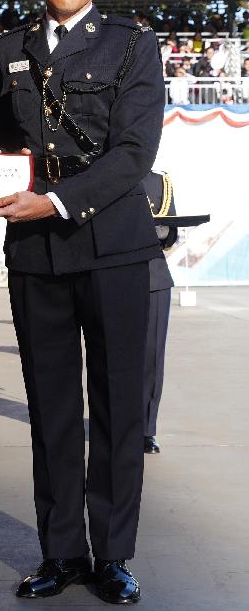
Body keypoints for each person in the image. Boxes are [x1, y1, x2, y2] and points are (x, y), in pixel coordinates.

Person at [0, 0, 165, 605]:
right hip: (35, 254)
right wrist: (1, 177)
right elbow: (4, 139)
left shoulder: (130, 44)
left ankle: (113, 555)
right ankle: (60, 553)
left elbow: (132, 155)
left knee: (118, 411)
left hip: (115, 248)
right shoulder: (7, 48)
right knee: (51, 409)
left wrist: (55, 203)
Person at [142, 172, 177, 454]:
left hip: (153, 276)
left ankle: (145, 430)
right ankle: (114, 422)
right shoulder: (101, 174)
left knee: (152, 357)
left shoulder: (159, 182)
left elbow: (170, 234)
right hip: (110, 275)